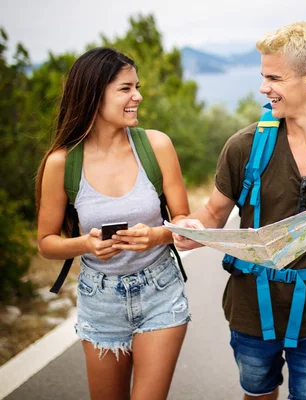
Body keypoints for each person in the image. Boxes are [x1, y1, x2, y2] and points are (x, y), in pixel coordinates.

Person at [173, 22, 306, 400]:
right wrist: (192, 229)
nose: (263, 87)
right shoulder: (244, 146)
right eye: (262, 75)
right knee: (258, 393)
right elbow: (214, 214)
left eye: (274, 77)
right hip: (250, 311)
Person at [35, 47, 191, 400]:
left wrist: (156, 236)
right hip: (99, 300)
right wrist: (84, 245)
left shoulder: (157, 145)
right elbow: (46, 242)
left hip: (160, 293)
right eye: (125, 88)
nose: (137, 96)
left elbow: (183, 220)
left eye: (137, 86)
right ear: (94, 94)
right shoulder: (61, 163)